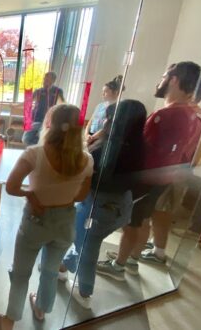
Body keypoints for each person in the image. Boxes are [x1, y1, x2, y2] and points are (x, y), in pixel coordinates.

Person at [0, 104, 93, 328]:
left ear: (49, 124)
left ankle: (8, 321)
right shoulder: (86, 159)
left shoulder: (35, 153)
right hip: (65, 221)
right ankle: (41, 309)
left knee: (21, 273)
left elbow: (12, 187)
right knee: (51, 270)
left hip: (37, 218)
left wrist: (32, 195)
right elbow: (81, 194)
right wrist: (61, 196)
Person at [99, 62, 201, 278]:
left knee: (132, 223)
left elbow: (147, 150)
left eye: (164, 76)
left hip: (147, 178)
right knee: (143, 219)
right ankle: (131, 258)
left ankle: (119, 265)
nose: (160, 81)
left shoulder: (170, 115)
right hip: (162, 177)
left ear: (174, 80)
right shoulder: (191, 114)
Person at [62, 100, 146, 308]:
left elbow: (83, 176)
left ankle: (84, 293)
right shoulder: (140, 147)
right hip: (122, 207)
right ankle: (64, 267)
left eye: (110, 117)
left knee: (88, 248)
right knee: (83, 241)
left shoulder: (107, 148)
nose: (106, 120)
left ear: (115, 121)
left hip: (98, 207)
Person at [21, 71, 65, 146]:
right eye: (44, 79)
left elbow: (63, 103)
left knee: (43, 140)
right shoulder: (38, 91)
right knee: (25, 139)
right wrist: (15, 106)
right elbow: (28, 101)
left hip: (48, 122)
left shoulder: (58, 91)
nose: (44, 81)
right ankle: (36, 148)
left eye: (47, 80)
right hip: (35, 120)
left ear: (53, 81)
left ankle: (38, 149)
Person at [85, 75, 124, 146]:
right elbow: (90, 122)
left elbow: (106, 129)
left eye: (105, 92)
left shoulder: (117, 108)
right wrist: (86, 134)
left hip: (101, 139)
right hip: (90, 137)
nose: (103, 94)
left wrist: (92, 138)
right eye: (102, 91)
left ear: (115, 93)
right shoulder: (99, 106)